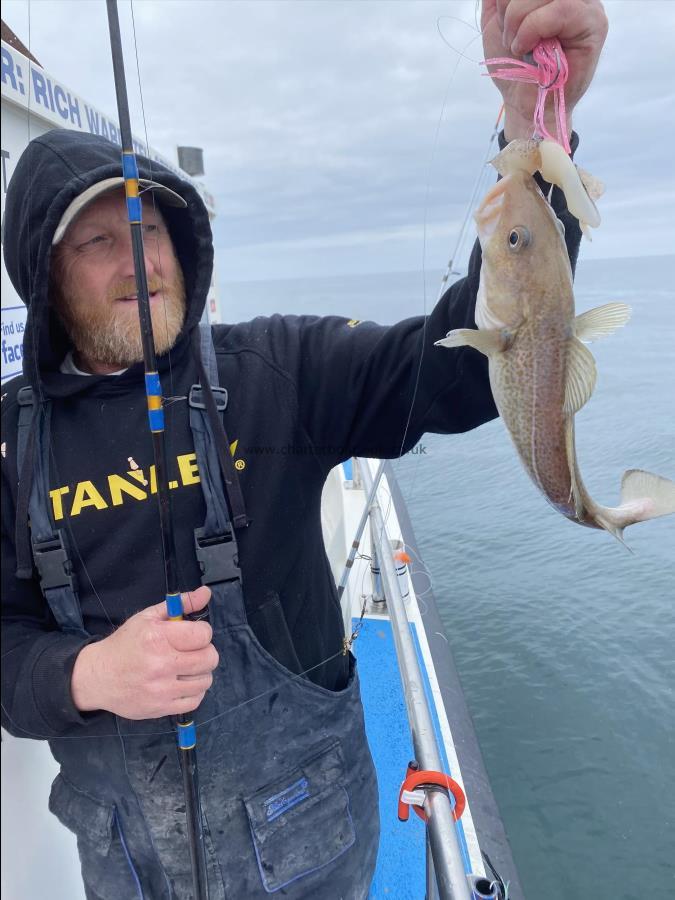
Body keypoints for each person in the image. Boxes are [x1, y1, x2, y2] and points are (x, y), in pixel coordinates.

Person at [1, 1, 608, 897]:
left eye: (152, 228)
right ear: (41, 274)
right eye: (97, 240)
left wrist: (535, 123)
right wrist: (87, 672)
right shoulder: (11, 441)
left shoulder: (278, 368)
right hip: (125, 861)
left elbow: (458, 371)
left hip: (311, 841)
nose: (141, 259)